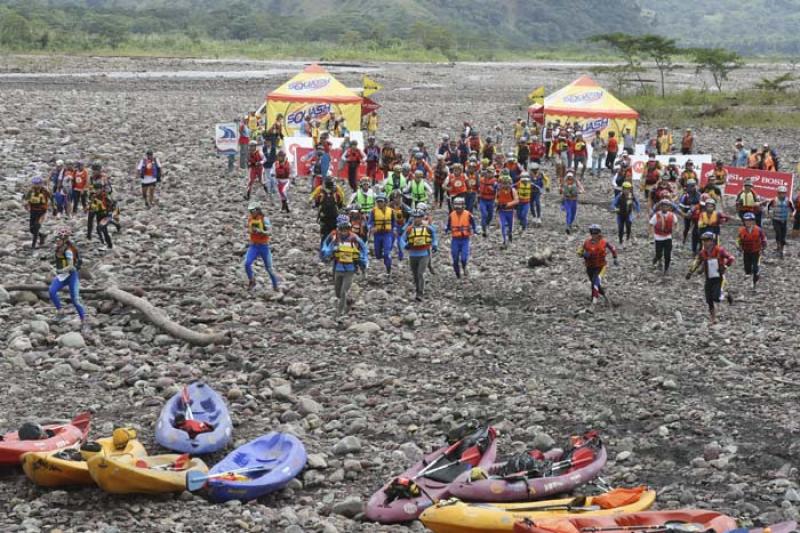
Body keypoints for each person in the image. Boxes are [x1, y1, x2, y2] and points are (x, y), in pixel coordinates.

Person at [321, 215, 368, 318]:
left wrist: (364, 259)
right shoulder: (335, 237)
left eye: (346, 228)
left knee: (343, 292)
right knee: (337, 292)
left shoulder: (354, 238)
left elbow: (364, 248)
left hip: (350, 269)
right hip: (338, 267)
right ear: (339, 228)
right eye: (342, 229)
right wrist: (327, 252)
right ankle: (349, 302)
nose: (344, 231)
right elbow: (327, 246)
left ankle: (340, 313)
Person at [686, 231, 735, 323]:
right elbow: (697, 262)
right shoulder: (702, 253)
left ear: (712, 241)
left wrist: (725, 266)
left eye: (707, 240)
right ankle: (713, 318)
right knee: (709, 299)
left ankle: (726, 294)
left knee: (716, 297)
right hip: (708, 278)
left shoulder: (720, 250)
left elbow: (731, 258)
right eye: (703, 240)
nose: (705, 242)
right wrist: (690, 272)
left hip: (718, 277)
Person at [49, 227, 87, 329]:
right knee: (52, 291)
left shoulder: (69, 250)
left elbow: (71, 266)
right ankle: (60, 311)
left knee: (75, 301)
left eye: (58, 239)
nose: (56, 241)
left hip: (71, 276)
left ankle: (83, 320)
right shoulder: (58, 248)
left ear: (64, 240)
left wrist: (61, 270)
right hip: (62, 276)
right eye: (56, 239)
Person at [400, 210, 438, 301]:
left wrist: (435, 244)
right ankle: (417, 290)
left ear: (422, 218)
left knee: (420, 273)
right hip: (413, 255)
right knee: (415, 275)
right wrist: (405, 246)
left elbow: (434, 235)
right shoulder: (409, 229)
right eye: (415, 217)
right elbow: (402, 239)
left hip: (424, 254)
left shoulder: (428, 228)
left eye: (419, 217)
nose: (417, 219)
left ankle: (420, 293)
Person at [578, 224, 618, 305]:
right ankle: (606, 297)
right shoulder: (586, 242)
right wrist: (583, 254)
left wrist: (615, 258)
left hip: (600, 266)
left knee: (595, 282)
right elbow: (579, 251)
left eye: (596, 232)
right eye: (592, 233)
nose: (594, 235)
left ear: (599, 233)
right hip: (589, 266)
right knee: (593, 283)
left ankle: (594, 303)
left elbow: (613, 249)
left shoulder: (604, 242)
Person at [244, 202, 280, 291]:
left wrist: (262, 231)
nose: (251, 213)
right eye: (250, 211)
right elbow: (249, 230)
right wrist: (251, 230)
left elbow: (270, 231)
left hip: (264, 247)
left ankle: (275, 286)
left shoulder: (264, 219)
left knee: (269, 269)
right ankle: (252, 280)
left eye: (252, 211)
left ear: (257, 210)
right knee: (247, 263)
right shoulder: (250, 219)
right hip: (254, 246)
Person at [310, 178, 346, 250]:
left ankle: (325, 248)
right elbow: (342, 198)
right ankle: (331, 248)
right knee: (331, 232)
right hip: (332, 215)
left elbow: (314, 197)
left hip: (325, 215)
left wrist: (312, 201)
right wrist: (342, 205)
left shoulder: (321, 189)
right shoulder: (334, 189)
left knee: (326, 233)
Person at [445, 197, 476, 278]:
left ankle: (464, 266)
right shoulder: (451, 215)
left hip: (465, 239)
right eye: (456, 205)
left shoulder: (468, 214)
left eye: (460, 205)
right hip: (455, 240)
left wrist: (475, 230)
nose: (458, 207)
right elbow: (448, 225)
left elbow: (473, 224)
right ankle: (458, 275)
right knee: (455, 259)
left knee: (464, 258)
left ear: (463, 205)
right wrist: (447, 230)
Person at [736, 212, 766, 291]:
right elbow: (738, 240)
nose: (748, 222)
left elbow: (763, 239)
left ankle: (755, 282)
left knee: (755, 267)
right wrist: (739, 247)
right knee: (747, 268)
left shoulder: (758, 230)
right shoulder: (741, 231)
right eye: (746, 221)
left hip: (756, 251)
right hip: (746, 251)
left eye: (750, 220)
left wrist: (763, 247)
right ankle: (749, 276)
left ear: (753, 221)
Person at [367, 193, 396, 275]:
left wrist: (394, 229)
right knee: (377, 255)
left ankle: (388, 270)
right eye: (378, 201)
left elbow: (394, 222)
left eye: (381, 201)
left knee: (387, 253)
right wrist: (372, 227)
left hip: (387, 234)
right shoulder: (373, 211)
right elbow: (369, 222)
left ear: (385, 202)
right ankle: (384, 256)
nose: (379, 203)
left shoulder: (391, 211)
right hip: (377, 235)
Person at [650, 200, 679, 274]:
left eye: (666, 206)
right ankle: (657, 258)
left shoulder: (672, 215)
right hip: (658, 237)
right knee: (659, 253)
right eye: (663, 206)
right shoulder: (656, 215)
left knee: (667, 254)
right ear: (660, 207)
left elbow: (676, 223)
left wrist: (676, 229)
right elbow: (651, 224)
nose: (665, 207)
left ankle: (666, 268)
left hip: (668, 237)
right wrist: (651, 233)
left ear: (669, 207)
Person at [24, 176, 51, 250]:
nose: (36, 185)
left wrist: (55, 208)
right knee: (31, 230)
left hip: (42, 212)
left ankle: (33, 246)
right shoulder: (30, 191)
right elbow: (26, 199)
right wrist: (26, 205)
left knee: (36, 227)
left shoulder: (45, 191)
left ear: (41, 184)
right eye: (34, 184)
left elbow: (52, 198)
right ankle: (42, 235)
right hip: (33, 211)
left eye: (38, 184)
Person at [767, 185, 794, 258]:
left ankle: (781, 249)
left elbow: (792, 208)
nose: (782, 195)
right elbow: (769, 207)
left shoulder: (788, 201)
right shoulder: (774, 200)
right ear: (778, 193)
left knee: (783, 235)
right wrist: (769, 213)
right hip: (776, 220)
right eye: (780, 193)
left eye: (784, 193)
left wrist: (791, 215)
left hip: (784, 220)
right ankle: (779, 247)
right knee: (778, 233)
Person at [611, 181, 639, 247]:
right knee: (621, 228)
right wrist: (615, 209)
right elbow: (613, 204)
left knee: (628, 225)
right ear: (623, 189)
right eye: (625, 189)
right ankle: (620, 241)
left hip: (628, 214)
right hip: (620, 215)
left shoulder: (631, 196)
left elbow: (637, 203)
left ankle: (627, 239)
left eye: (628, 189)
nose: (626, 191)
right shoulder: (619, 196)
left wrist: (638, 211)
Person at [496, 173, 519, 248]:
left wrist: (507, 204)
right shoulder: (499, 190)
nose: (505, 185)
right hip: (502, 212)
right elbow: (496, 199)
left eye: (507, 183)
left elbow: (516, 200)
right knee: (502, 226)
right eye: (504, 183)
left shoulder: (513, 190)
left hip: (510, 211)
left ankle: (510, 237)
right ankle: (504, 241)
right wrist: (497, 204)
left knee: (510, 227)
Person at [88, 184, 113, 249]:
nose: (96, 191)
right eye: (95, 189)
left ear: (101, 189)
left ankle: (105, 243)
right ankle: (109, 245)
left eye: (98, 189)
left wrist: (109, 211)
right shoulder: (94, 197)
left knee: (100, 227)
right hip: (99, 215)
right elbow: (93, 207)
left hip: (106, 216)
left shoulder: (106, 196)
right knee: (104, 231)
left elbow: (112, 205)